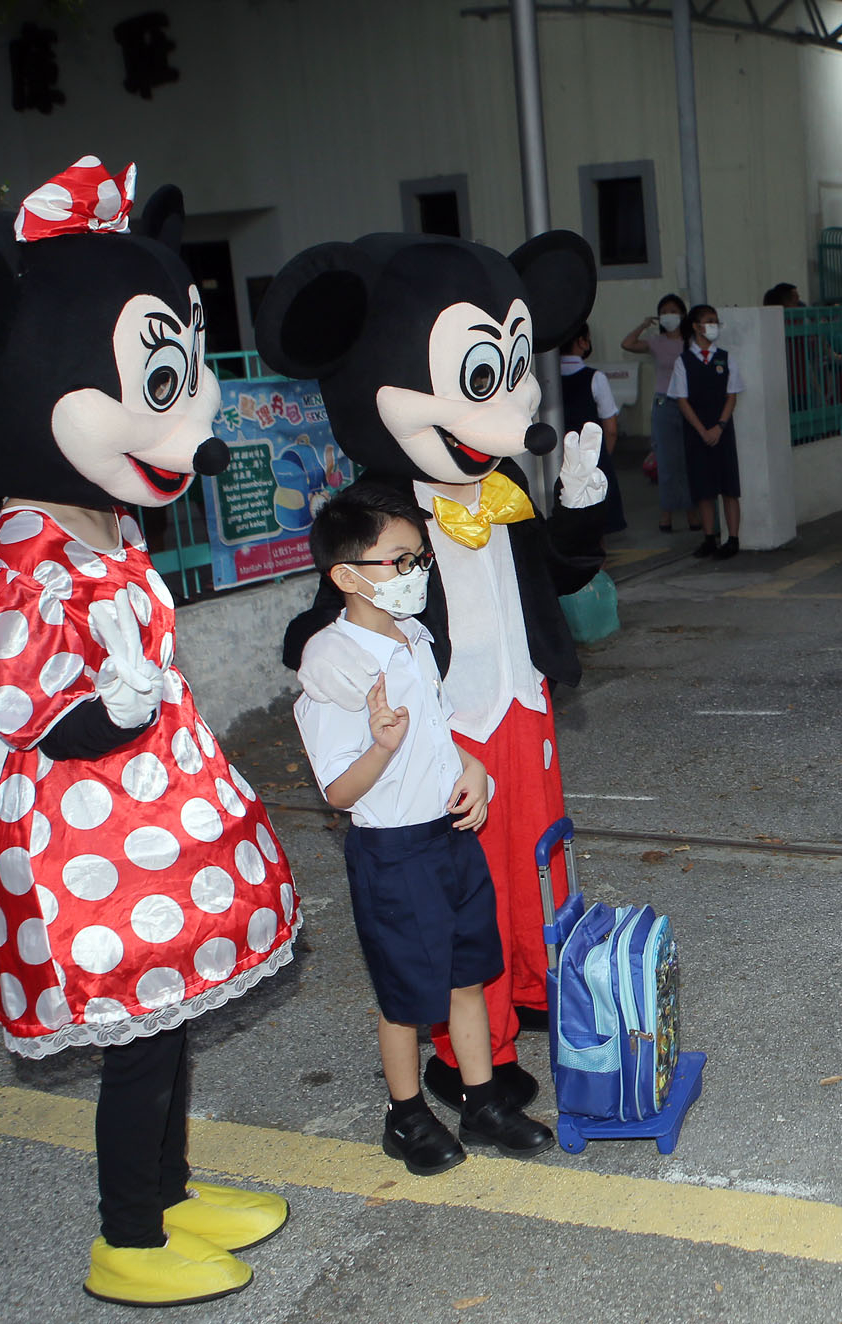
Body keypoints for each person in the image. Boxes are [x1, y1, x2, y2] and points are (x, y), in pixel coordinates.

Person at [0, 161, 297, 1306]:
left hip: (152, 809)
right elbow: (25, 694)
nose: (192, 423)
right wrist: (105, 711)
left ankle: (172, 1194)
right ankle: (126, 1236)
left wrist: (142, 710)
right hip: (81, 833)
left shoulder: (104, 520)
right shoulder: (19, 553)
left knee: (170, 1027)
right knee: (136, 1043)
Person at [294, 488, 557, 1174]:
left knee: (468, 975)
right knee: (407, 998)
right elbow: (338, 790)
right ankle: (406, 1115)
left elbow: (438, 729)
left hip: (449, 837)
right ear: (347, 576)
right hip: (393, 851)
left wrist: (474, 771)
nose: (417, 571)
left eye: (420, 558)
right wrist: (380, 747)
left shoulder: (413, 637)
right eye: (400, 560)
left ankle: (482, 1102)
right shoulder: (333, 665)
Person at [668, 303, 744, 558]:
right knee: (704, 487)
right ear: (696, 326)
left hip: (722, 430)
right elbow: (682, 400)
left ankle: (733, 539)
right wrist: (702, 430)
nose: (714, 326)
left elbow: (731, 395)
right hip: (697, 432)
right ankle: (709, 537)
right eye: (709, 321)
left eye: (715, 321)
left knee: (729, 486)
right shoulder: (684, 361)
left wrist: (719, 426)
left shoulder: (725, 357)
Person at [621, 293, 697, 534]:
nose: (669, 316)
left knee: (688, 460)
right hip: (664, 402)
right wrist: (644, 325)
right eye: (664, 312)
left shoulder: (692, 340)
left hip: (688, 403)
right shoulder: (656, 341)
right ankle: (666, 515)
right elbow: (627, 343)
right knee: (666, 461)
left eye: (673, 311)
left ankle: (691, 512)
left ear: (683, 314)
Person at [557, 328, 623, 532]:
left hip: (557, 460)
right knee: (597, 523)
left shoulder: (545, 378)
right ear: (582, 342)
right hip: (591, 459)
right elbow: (610, 428)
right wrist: (604, 457)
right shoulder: (595, 378)